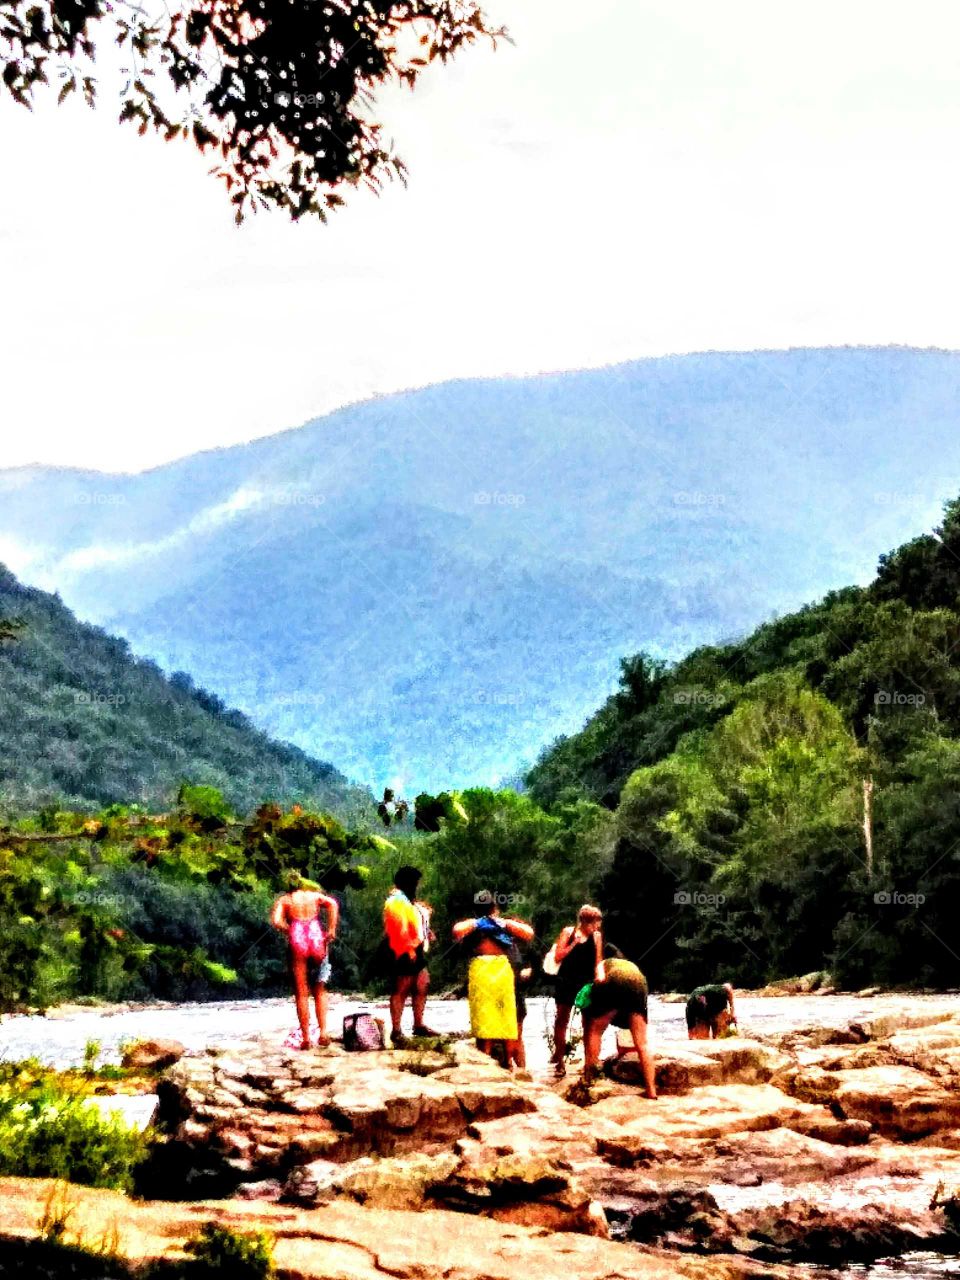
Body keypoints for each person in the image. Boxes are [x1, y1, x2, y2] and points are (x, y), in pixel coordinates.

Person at [452, 895, 535, 1061]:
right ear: (495, 908)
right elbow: (457, 930)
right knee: (493, 1015)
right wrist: (481, 922)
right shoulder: (476, 925)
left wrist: (501, 922)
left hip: (494, 969)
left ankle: (491, 1057)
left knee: (495, 1016)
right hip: (491, 969)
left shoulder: (498, 924)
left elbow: (529, 934)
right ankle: (500, 1060)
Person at [270, 871, 339, 1049]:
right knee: (320, 989)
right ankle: (323, 1032)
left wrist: (289, 929)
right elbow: (332, 904)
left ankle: (306, 1037)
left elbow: (276, 921)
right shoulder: (313, 896)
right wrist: (331, 929)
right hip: (316, 936)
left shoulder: (285, 900)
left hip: (298, 937)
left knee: (301, 991)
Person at [578, 945, 656, 1099]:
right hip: (639, 982)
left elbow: (589, 1018)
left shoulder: (603, 965)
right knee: (642, 1043)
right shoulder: (628, 964)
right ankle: (651, 1090)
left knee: (595, 1031)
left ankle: (591, 1077)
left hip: (614, 980)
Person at [550, 905, 604, 1077]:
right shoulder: (568, 932)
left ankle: (590, 1064)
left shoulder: (597, 937)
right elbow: (558, 956)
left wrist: (599, 978)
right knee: (562, 1021)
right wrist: (574, 942)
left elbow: (598, 961)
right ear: (585, 922)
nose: (597, 927)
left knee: (589, 1023)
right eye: (595, 923)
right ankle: (559, 1060)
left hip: (586, 983)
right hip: (566, 981)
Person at [383, 865, 436, 1043]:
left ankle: (418, 1025)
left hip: (415, 947)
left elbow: (415, 922)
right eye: (416, 882)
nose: (418, 885)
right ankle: (396, 1030)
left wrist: (426, 933)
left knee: (422, 984)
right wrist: (409, 949)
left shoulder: (407, 901)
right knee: (402, 988)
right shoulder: (396, 901)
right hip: (403, 949)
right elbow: (400, 927)